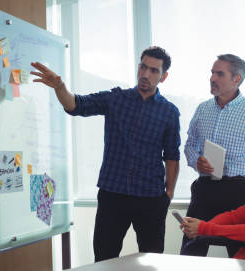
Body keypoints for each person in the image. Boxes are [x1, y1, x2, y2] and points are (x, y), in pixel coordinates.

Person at [30, 46, 180, 262]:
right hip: (113, 194)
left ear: (163, 76)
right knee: (104, 258)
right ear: (138, 68)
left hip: (150, 197)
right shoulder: (115, 99)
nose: (146, 74)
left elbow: (172, 156)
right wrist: (60, 87)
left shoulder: (169, 112)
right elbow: (76, 105)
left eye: (154, 71)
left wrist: (168, 195)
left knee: (152, 259)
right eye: (143, 67)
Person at [181, 54, 245, 257]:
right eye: (212, 72)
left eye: (219, 74)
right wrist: (197, 161)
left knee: (241, 253)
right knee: (191, 247)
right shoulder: (202, 109)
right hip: (204, 188)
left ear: (236, 79)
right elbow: (190, 145)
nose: (212, 78)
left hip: (236, 191)